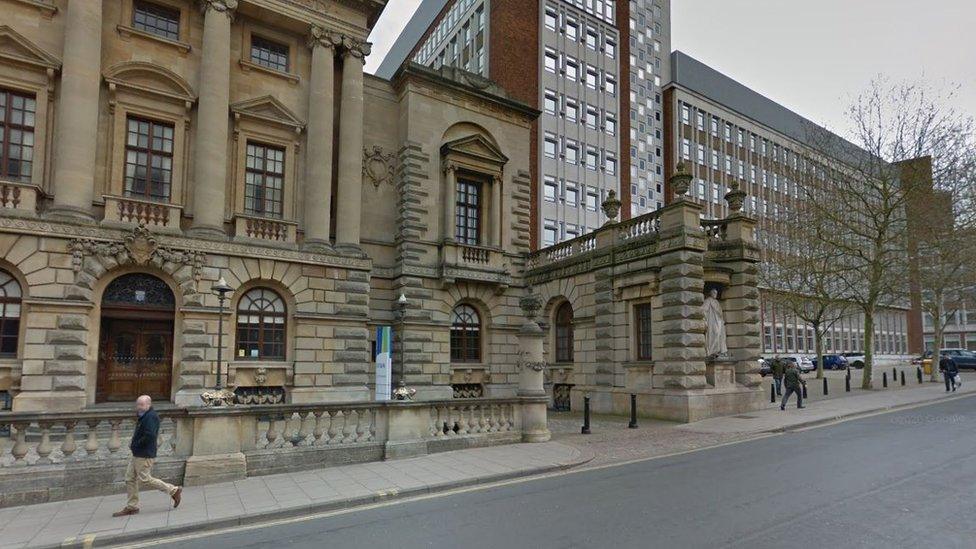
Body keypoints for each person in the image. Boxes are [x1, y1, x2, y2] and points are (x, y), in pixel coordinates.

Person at [113, 395, 182, 517]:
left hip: (144, 454)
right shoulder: (143, 416)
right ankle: (132, 506)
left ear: (148, 405)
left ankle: (173, 490)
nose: (138, 407)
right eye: (138, 404)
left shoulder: (150, 417)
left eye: (141, 405)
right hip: (137, 453)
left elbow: (150, 435)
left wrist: (137, 444)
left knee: (145, 479)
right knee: (130, 478)